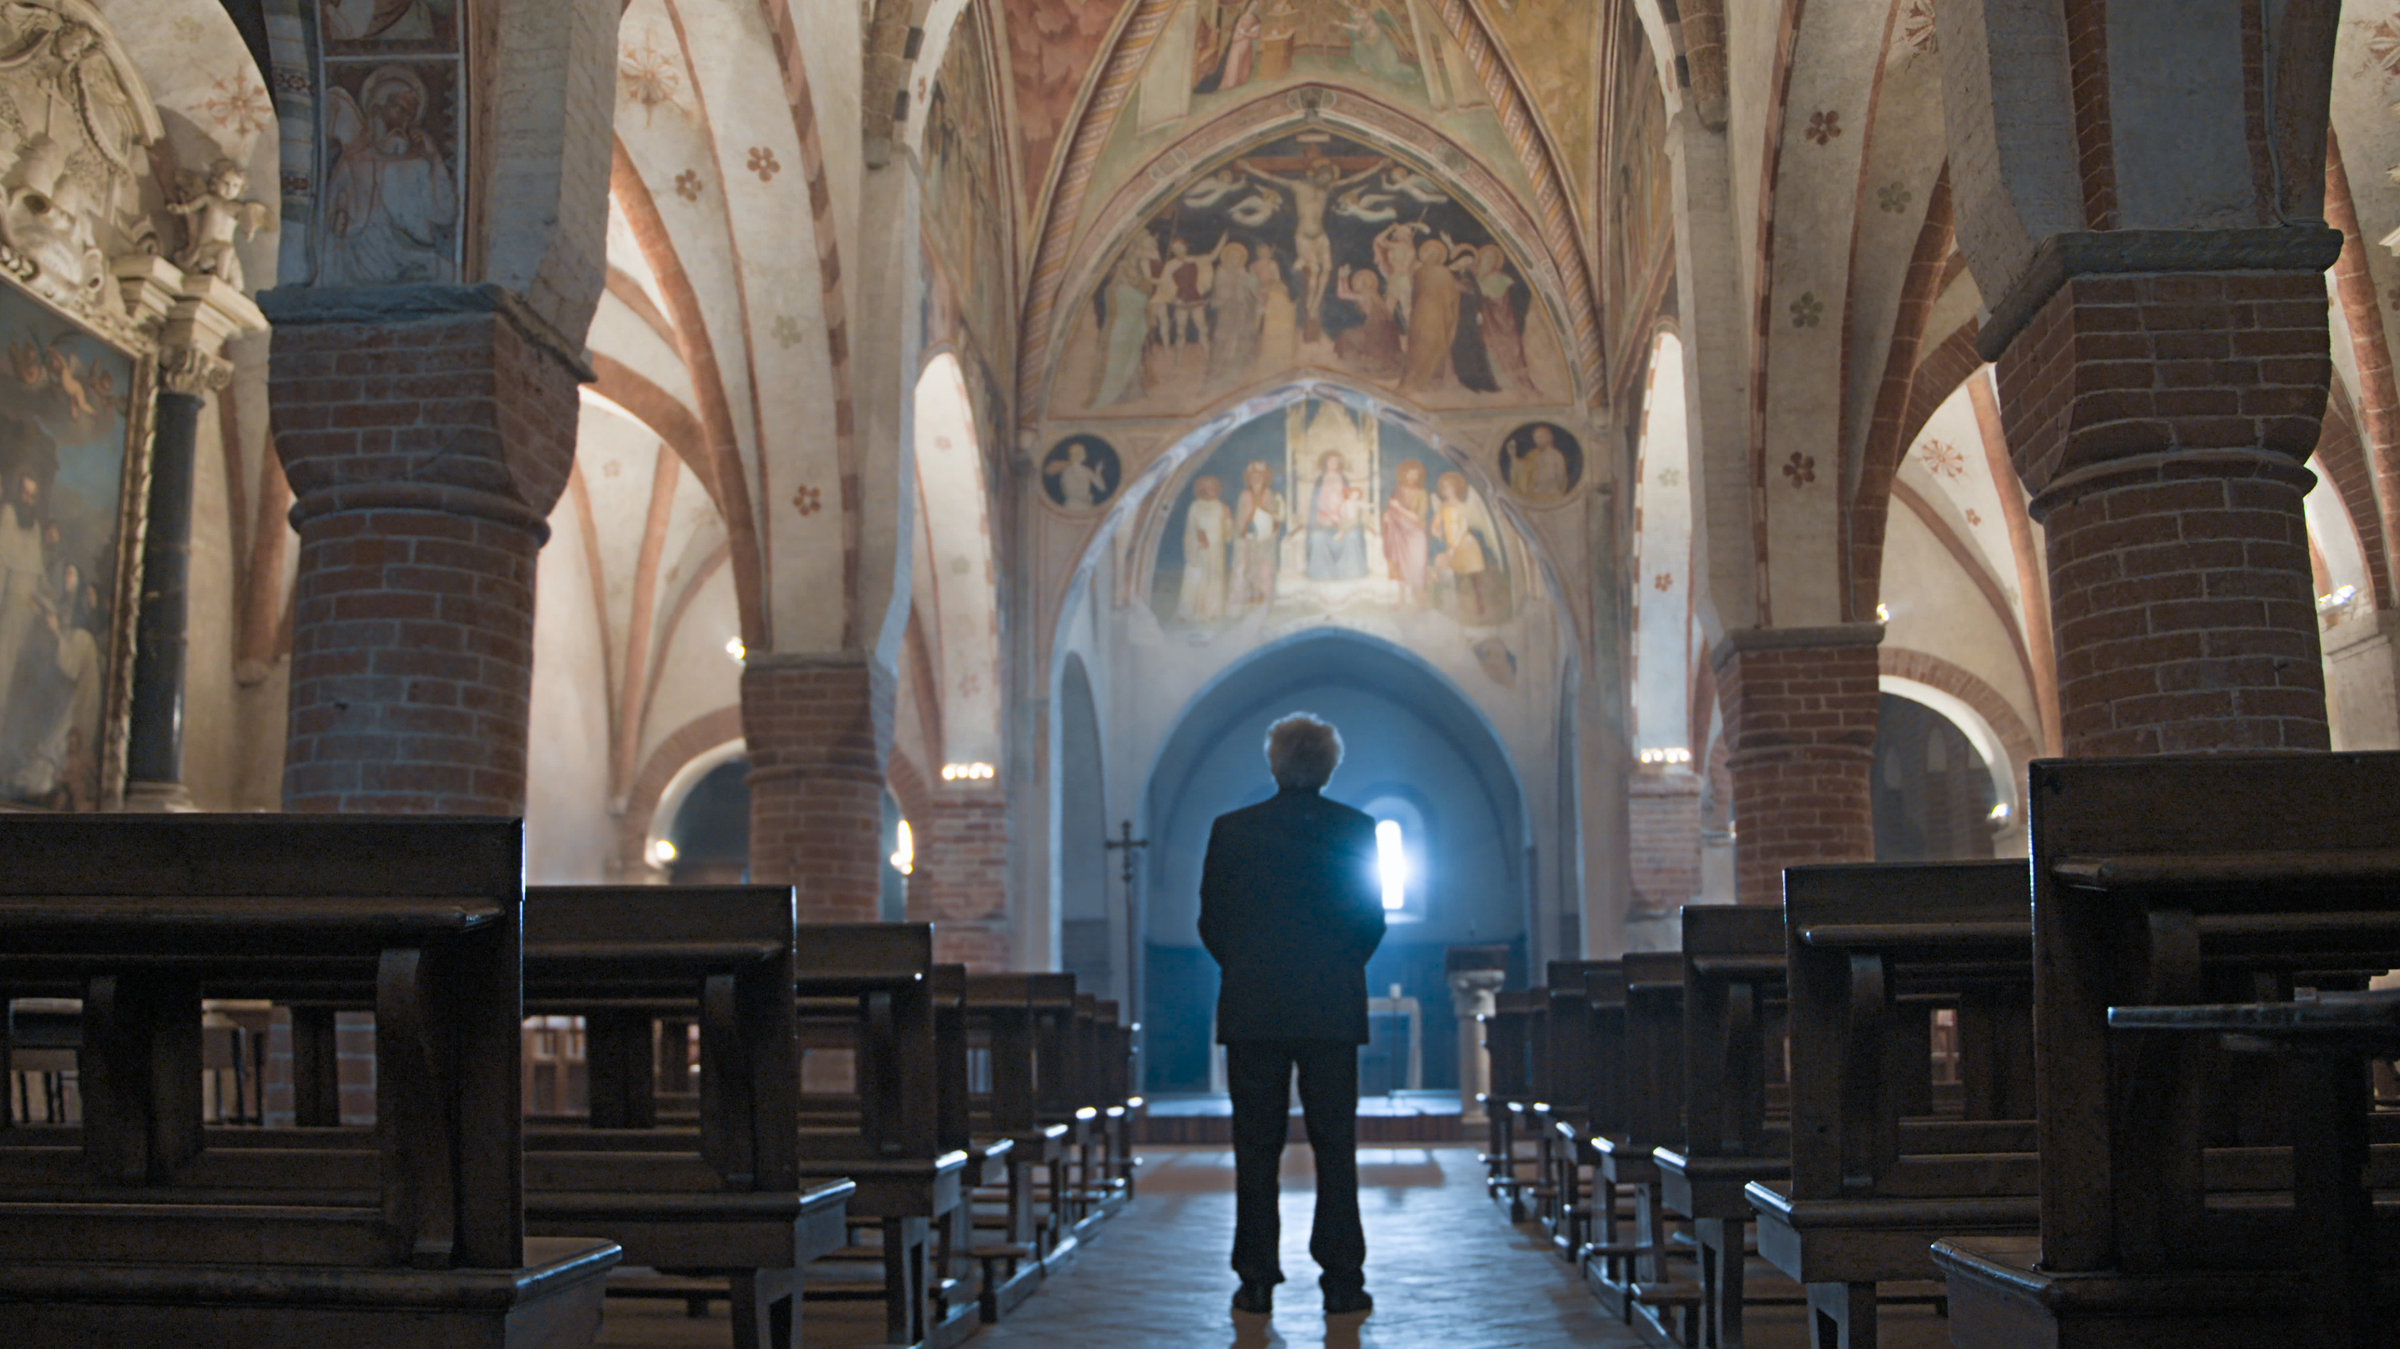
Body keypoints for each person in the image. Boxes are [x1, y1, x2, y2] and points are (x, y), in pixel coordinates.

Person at [1199, 713, 1385, 1319]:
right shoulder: (1355, 829)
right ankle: (1342, 1280)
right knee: (1335, 1146)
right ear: (1329, 767)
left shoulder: (1232, 830)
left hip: (1254, 1007)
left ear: (1274, 764)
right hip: (1330, 1007)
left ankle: (1255, 1280)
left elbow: (1212, 922)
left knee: (1255, 1148)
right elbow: (1370, 921)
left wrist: (1248, 967)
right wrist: (1335, 968)